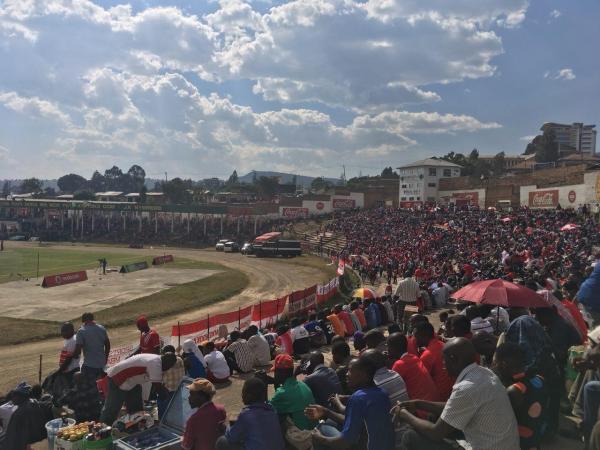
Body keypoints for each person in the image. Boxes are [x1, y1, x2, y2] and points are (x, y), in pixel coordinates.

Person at [393, 338, 520, 450]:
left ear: (454, 359)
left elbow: (436, 433)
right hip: (503, 444)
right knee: (434, 416)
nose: (443, 365)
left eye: (444, 360)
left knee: (410, 436)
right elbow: (454, 406)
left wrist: (404, 415)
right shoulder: (485, 373)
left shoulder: (466, 388)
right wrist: (419, 404)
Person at [306, 357, 395, 450]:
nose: (347, 374)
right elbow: (353, 420)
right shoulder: (382, 393)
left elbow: (345, 443)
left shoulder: (358, 398)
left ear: (363, 375)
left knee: (321, 428)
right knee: (330, 422)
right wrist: (325, 411)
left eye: (350, 371)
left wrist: (320, 438)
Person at [492, 343, 549, 450]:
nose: (494, 367)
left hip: (519, 444)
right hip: (535, 441)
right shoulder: (539, 379)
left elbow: (501, 422)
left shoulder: (515, 390)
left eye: (495, 363)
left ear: (503, 364)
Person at [100, 352, 176, 425]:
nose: (167, 369)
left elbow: (157, 385)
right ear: (167, 364)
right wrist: (171, 401)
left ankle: (135, 424)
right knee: (112, 409)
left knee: (136, 407)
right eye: (169, 366)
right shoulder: (155, 363)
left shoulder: (157, 359)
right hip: (117, 378)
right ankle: (104, 430)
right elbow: (158, 388)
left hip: (132, 381)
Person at [269, 354, 316, 447]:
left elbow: (267, 409)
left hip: (302, 437)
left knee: (273, 418)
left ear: (279, 373)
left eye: (275, 372)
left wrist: (272, 384)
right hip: (314, 430)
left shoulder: (282, 393)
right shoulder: (303, 385)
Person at [388, 332, 439, 402]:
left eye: (388, 346)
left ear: (394, 348)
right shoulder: (414, 357)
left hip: (421, 408)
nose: (387, 350)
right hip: (433, 401)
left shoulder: (399, 364)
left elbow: (390, 387)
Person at [182, 378, 227, 450]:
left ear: (202, 397)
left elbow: (186, 447)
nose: (189, 398)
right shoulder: (221, 410)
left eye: (192, 394)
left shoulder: (193, 420)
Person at [414, 322, 455, 400]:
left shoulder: (427, 355)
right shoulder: (443, 344)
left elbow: (423, 381)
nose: (415, 339)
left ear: (423, 336)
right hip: (452, 390)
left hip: (439, 396)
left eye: (416, 336)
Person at [73, 312, 110, 379]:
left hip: (89, 365)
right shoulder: (102, 328)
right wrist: (105, 358)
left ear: (84, 321)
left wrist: (73, 356)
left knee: (76, 376)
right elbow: (107, 345)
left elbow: (78, 351)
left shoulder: (81, 331)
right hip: (102, 364)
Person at [160, 345, 185, 418]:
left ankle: (162, 420)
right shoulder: (180, 359)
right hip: (179, 389)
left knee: (162, 404)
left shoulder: (164, 362)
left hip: (168, 390)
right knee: (177, 409)